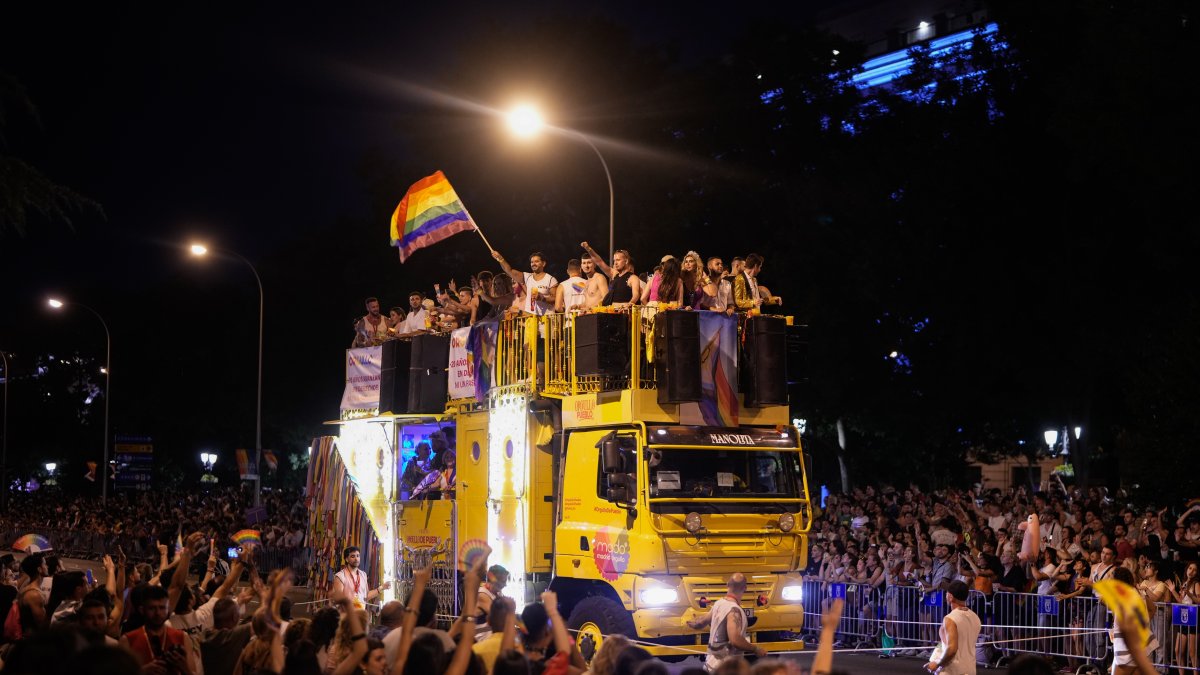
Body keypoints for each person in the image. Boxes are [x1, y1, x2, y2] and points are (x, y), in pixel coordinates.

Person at [686, 572, 766, 671]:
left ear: (727, 585)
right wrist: (755, 649)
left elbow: (701, 623)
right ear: (745, 588)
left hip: (710, 666)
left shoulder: (719, 603)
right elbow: (735, 640)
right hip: (725, 669)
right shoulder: (734, 610)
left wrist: (692, 623)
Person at [120, 584, 197, 674]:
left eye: (162, 608)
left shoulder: (182, 637)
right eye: (152, 608)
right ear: (142, 610)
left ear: (168, 609)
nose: (158, 613)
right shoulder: (128, 640)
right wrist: (142, 672)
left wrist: (184, 667)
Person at [924, 580, 981, 675]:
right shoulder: (975, 617)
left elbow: (952, 649)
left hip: (952, 670)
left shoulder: (950, 619)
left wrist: (937, 663)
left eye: (947, 593)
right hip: (970, 669)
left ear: (950, 597)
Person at [493, 249, 558, 315]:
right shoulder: (527, 277)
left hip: (546, 319)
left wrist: (542, 298)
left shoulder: (551, 279)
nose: (533, 264)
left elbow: (556, 299)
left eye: (536, 261)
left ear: (543, 263)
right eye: (532, 262)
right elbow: (509, 271)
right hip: (530, 318)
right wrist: (500, 258)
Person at [582, 241, 643, 305]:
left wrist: (630, 303)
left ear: (626, 261)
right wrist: (588, 249)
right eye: (614, 260)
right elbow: (599, 262)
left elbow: (636, 295)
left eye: (618, 260)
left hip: (625, 313)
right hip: (612, 312)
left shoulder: (633, 278)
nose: (615, 263)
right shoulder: (614, 275)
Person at [475, 564, 509, 640]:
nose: (505, 585)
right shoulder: (482, 595)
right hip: (481, 640)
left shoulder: (498, 593)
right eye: (503, 581)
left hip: (493, 637)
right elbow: (498, 617)